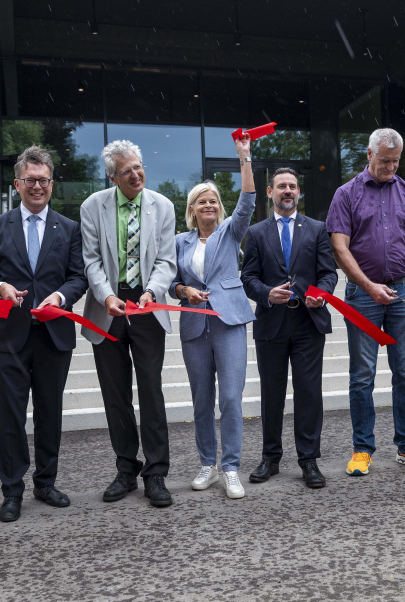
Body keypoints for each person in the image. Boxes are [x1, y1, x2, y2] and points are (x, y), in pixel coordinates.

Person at [327, 128, 405, 476]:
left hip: (402, 293)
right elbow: (339, 247)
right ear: (369, 154)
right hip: (362, 295)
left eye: (396, 161)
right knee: (362, 376)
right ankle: (362, 449)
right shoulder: (346, 193)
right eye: (384, 161)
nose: (390, 167)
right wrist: (368, 286)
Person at [0, 145, 88, 522]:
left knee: (49, 412)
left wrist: (61, 296)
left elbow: (78, 277)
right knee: (10, 415)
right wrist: (0, 287)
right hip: (9, 334)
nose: (37, 186)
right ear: (17, 184)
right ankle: (12, 491)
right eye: (30, 180)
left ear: (52, 184)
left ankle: (46, 482)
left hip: (54, 333)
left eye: (44, 180)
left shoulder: (69, 228)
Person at [80, 140, 178, 507]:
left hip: (147, 305)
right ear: (112, 177)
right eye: (127, 171)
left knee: (151, 390)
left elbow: (166, 260)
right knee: (115, 394)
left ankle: (156, 473)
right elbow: (91, 260)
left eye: (138, 167)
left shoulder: (163, 205)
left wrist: (152, 291)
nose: (136, 175)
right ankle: (126, 468)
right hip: (107, 306)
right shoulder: (93, 206)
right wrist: (107, 295)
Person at [169, 134, 256, 499]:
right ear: (192, 209)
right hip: (194, 326)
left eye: (213, 200)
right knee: (201, 400)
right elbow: (171, 282)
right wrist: (183, 290)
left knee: (231, 399)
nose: (208, 204)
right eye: (202, 201)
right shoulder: (179, 242)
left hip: (229, 322)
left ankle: (231, 468)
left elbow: (248, 200)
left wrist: (244, 157)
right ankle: (207, 463)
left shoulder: (230, 233)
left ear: (219, 208)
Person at [241, 167, 338, 489]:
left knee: (308, 393)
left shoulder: (317, 229)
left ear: (299, 192)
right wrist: (266, 294)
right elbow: (248, 278)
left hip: (308, 322)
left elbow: (328, 273)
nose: (287, 191)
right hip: (271, 323)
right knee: (272, 393)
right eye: (281, 186)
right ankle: (270, 458)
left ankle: (308, 459)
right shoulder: (256, 232)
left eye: (292, 186)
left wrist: (320, 295)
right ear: (270, 192)